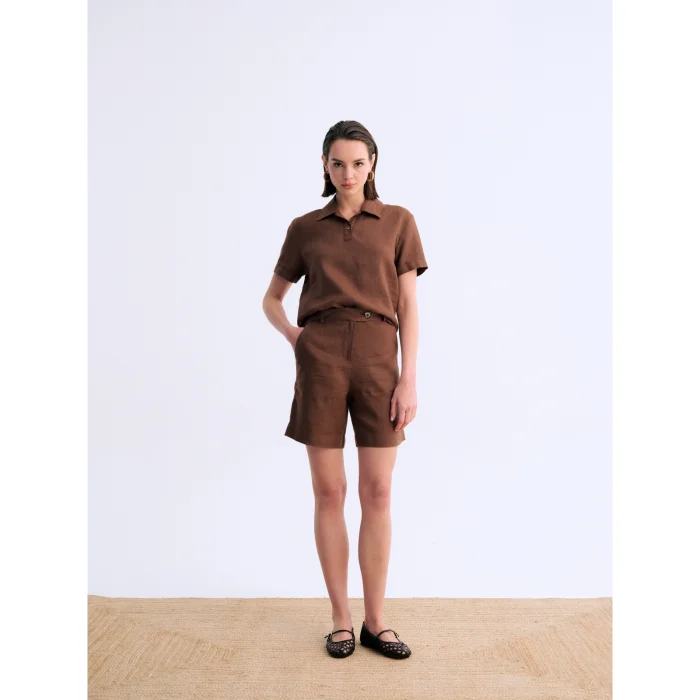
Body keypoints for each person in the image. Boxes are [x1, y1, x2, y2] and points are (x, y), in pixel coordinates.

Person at [262, 120, 428, 659]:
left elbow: (409, 305)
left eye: (358, 163)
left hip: (380, 358)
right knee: (329, 492)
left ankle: (376, 622)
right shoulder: (305, 227)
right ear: (324, 165)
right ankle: (340, 619)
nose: (348, 173)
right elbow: (271, 299)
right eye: (338, 164)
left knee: (377, 491)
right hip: (322, 358)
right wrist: (297, 338)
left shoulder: (398, 221)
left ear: (373, 163)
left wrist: (409, 377)